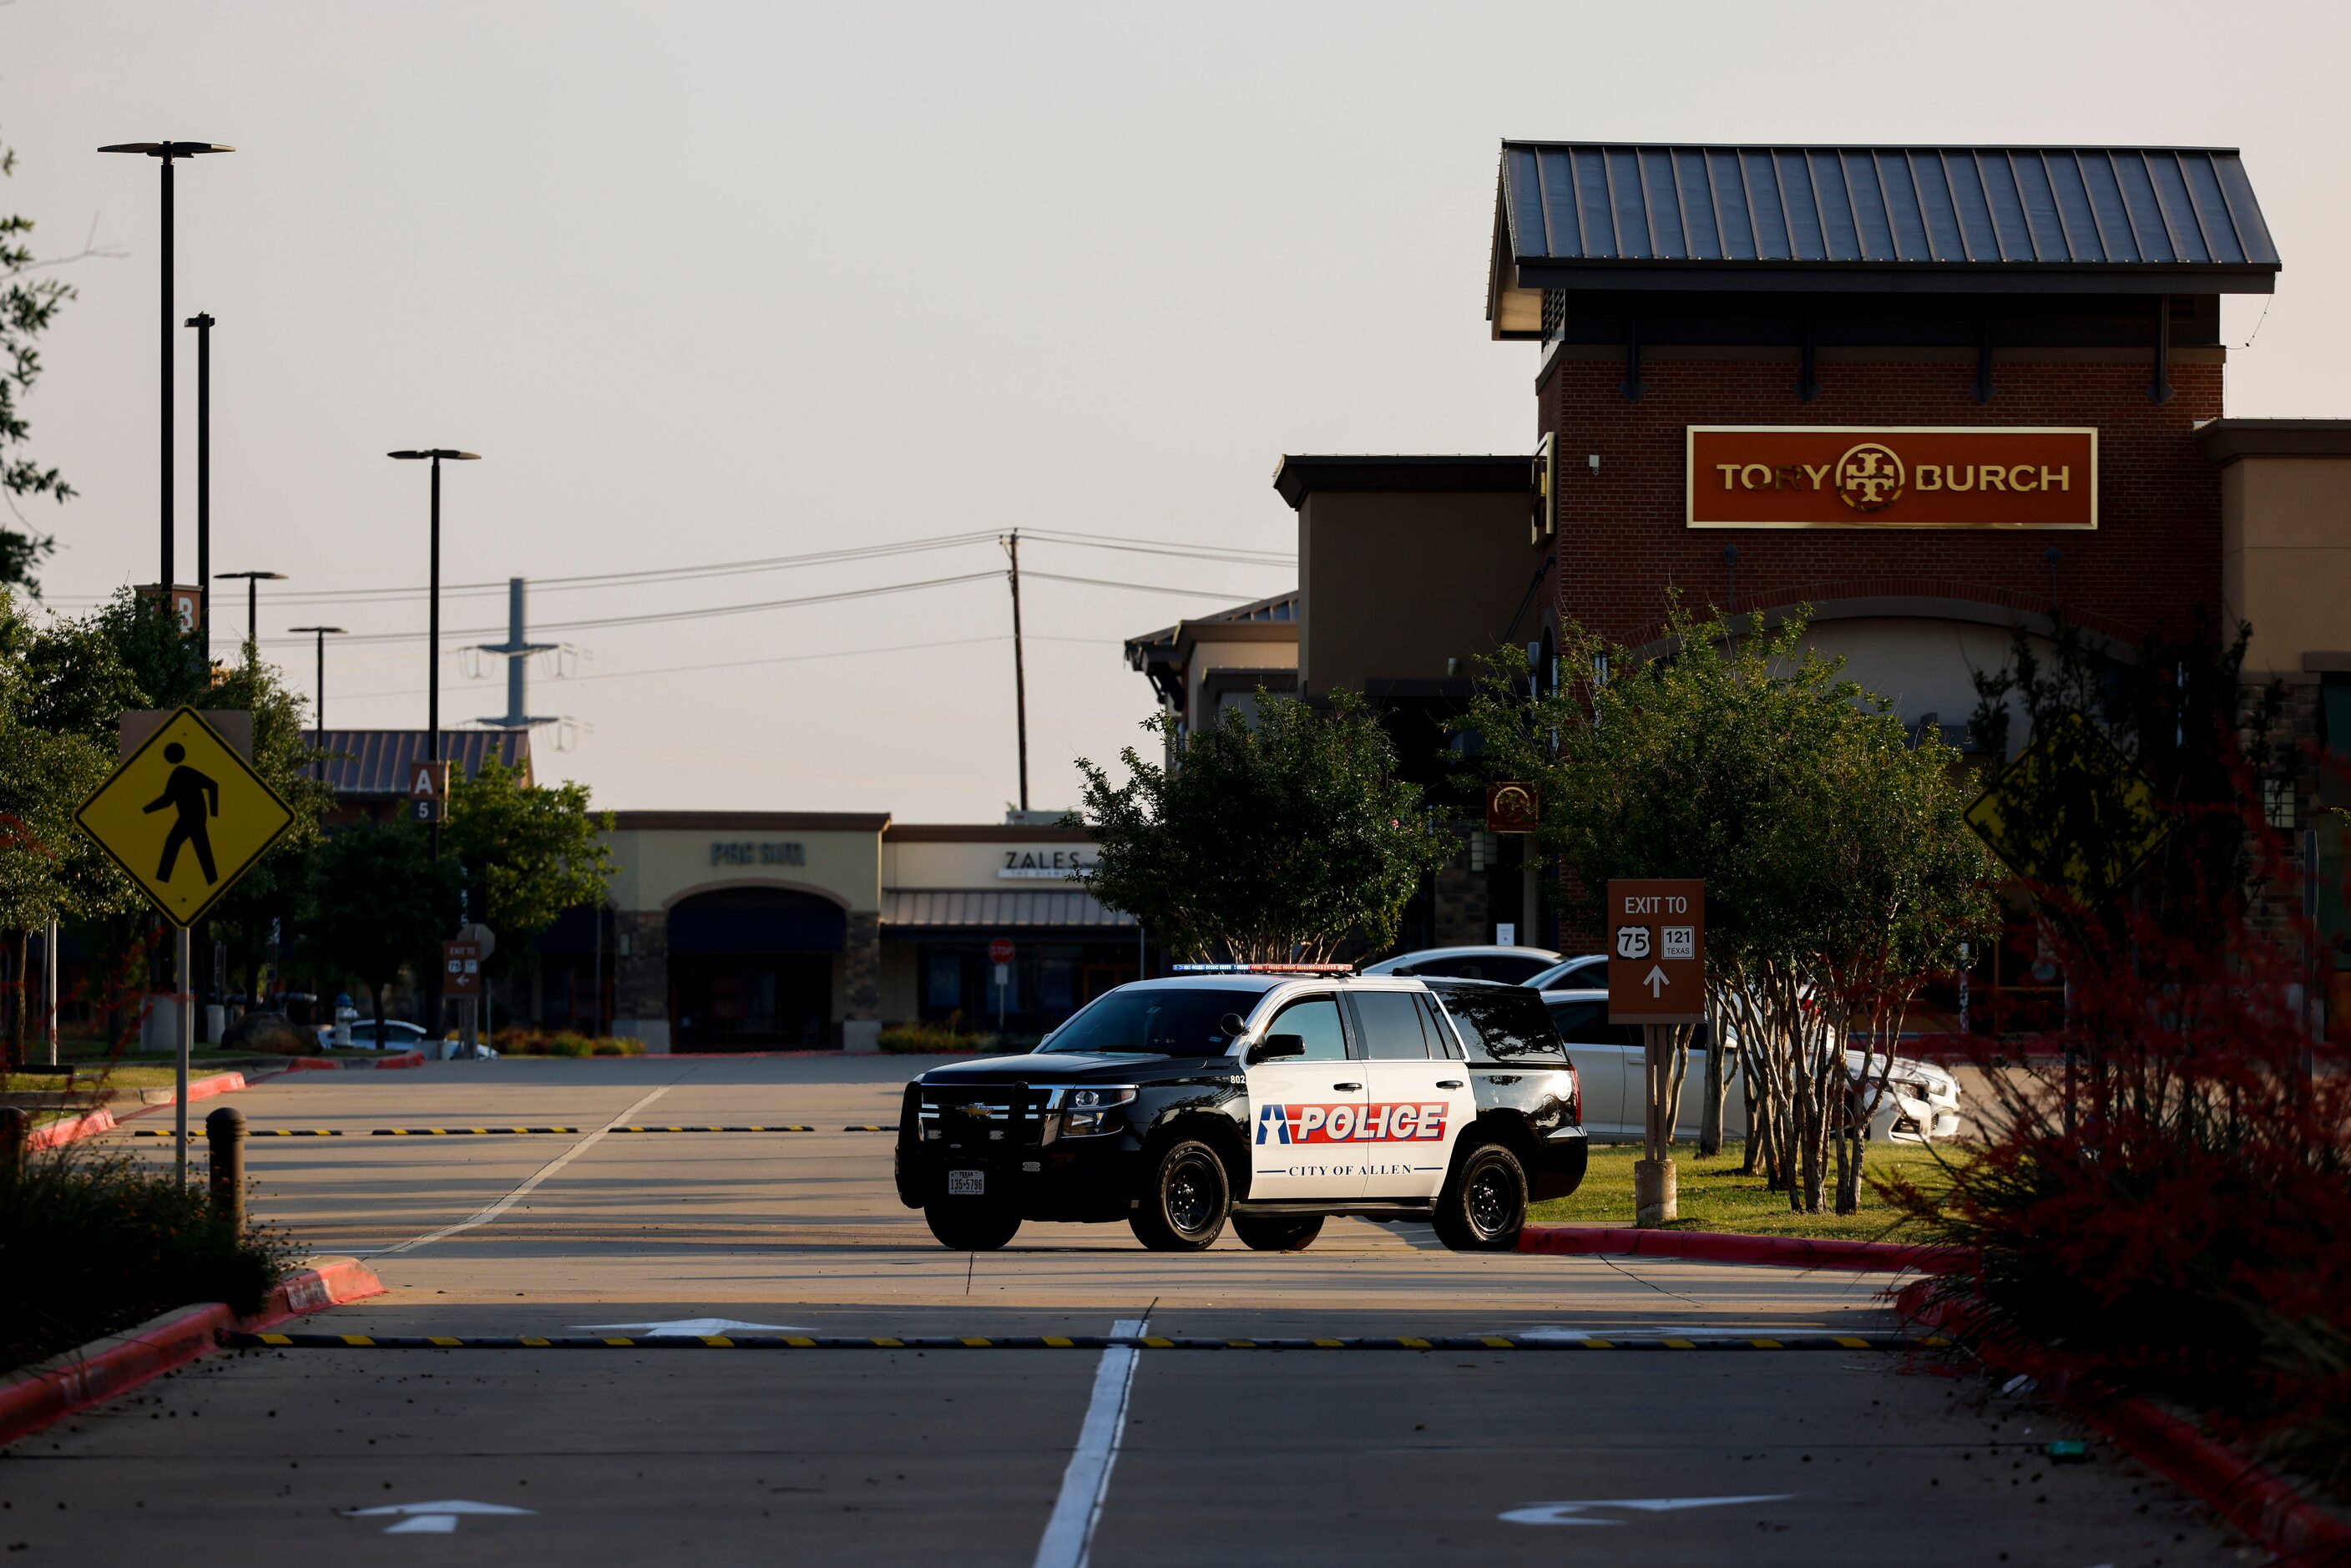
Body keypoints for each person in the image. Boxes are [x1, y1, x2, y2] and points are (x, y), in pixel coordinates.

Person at [141, 741, 220, 884]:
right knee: (199, 850)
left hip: (193, 818)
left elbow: (213, 785)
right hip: (189, 818)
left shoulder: (183, 772)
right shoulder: (177, 774)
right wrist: (145, 810)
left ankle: (162, 880)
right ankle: (211, 880)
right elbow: (168, 800)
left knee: (176, 843)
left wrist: (214, 814)